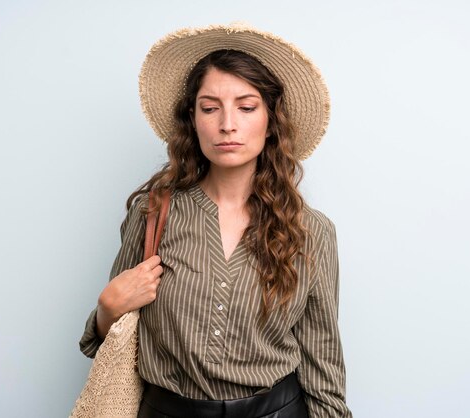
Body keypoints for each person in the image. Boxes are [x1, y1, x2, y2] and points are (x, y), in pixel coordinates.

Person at [79, 23, 352, 418]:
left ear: (271, 120)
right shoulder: (153, 214)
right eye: (210, 108)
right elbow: (115, 339)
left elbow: (323, 365)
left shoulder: (312, 232)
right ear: (193, 119)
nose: (227, 123)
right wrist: (106, 310)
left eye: (246, 107)